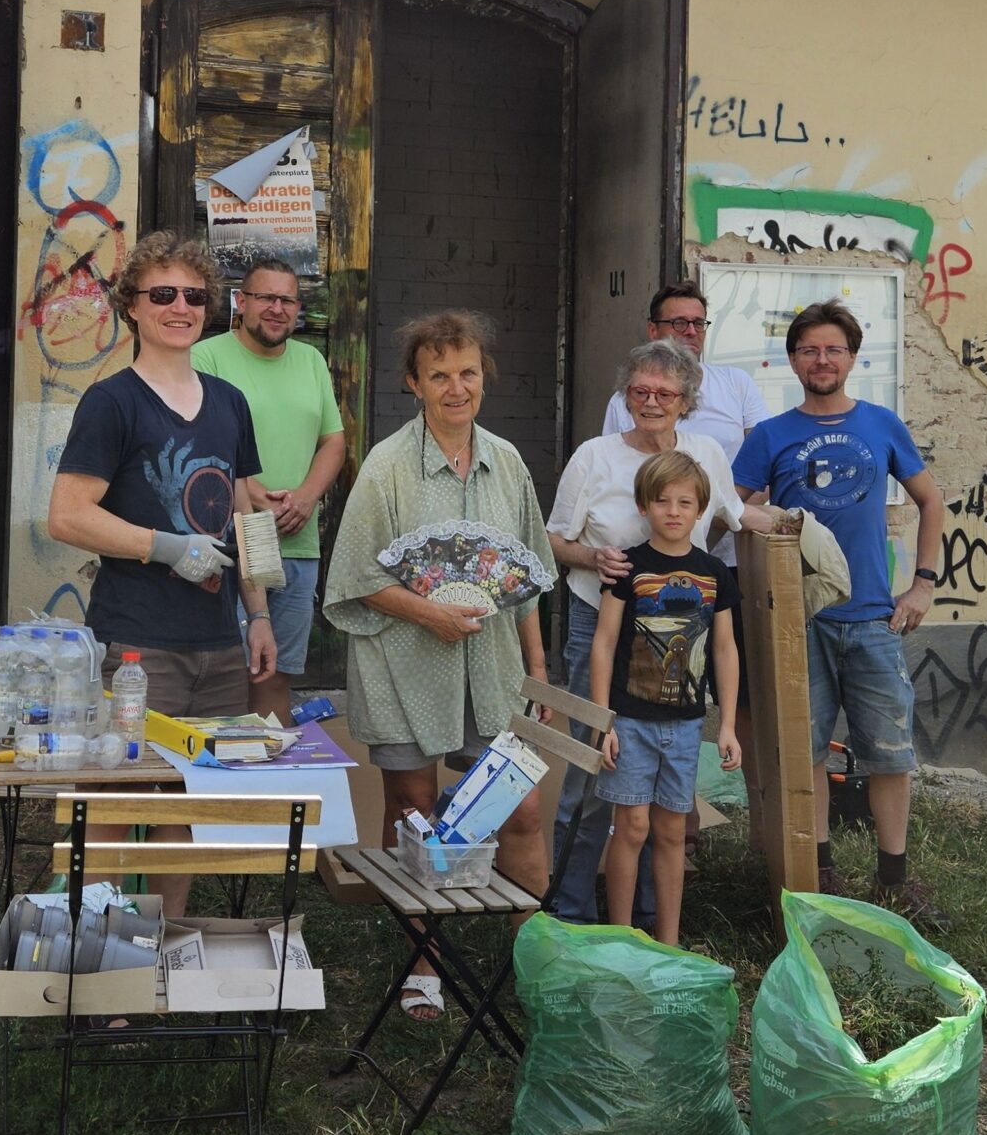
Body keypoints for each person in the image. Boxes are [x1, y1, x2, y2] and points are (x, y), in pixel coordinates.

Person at [323, 311, 554, 1021]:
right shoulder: (388, 469)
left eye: (468, 373)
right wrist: (431, 613)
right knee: (414, 810)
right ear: (413, 383)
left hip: (491, 667)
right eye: (440, 375)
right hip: (403, 662)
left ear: (484, 378)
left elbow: (524, 577)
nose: (456, 388)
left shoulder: (507, 463)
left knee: (520, 804)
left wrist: (536, 665)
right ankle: (424, 961)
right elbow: (359, 577)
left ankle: (532, 961)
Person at [46, 233, 277, 917]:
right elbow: (67, 515)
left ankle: (162, 943)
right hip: (137, 643)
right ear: (134, 308)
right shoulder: (112, 402)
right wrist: (164, 547)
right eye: (163, 295)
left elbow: (243, 512)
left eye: (194, 296)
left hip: (219, 641)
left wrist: (258, 613)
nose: (180, 307)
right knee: (117, 802)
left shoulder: (230, 402)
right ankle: (100, 957)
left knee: (190, 802)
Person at [733, 299, 948, 923]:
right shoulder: (771, 435)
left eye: (833, 349)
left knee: (889, 753)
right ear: (792, 360)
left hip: (875, 619)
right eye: (809, 350)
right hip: (797, 625)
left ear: (852, 357)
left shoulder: (881, 424)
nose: (821, 360)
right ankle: (818, 869)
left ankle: (893, 880)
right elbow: (727, 503)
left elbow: (931, 502)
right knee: (808, 755)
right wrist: (767, 520)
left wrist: (923, 585)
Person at [545, 339, 757, 922]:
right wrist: (594, 559)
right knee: (594, 770)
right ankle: (569, 907)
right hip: (603, 617)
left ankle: (644, 916)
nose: (652, 401)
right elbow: (554, 539)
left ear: (687, 400)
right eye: (640, 391)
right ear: (625, 395)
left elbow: (736, 520)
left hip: (681, 628)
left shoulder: (706, 452)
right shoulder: (595, 456)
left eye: (665, 393)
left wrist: (798, 526)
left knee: (657, 798)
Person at [588, 450, 743, 947]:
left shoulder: (716, 573)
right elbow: (605, 643)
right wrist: (600, 720)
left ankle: (669, 943)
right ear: (643, 506)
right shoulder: (626, 568)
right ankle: (620, 939)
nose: (673, 511)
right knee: (630, 827)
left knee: (672, 832)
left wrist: (727, 725)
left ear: (700, 511)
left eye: (685, 502)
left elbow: (724, 648)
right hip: (629, 720)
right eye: (662, 501)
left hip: (684, 725)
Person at [194, 256, 347, 718]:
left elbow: (333, 441)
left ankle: (268, 781)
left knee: (274, 674)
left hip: (296, 543)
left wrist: (305, 498)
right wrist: (254, 493)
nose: (277, 309)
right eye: (266, 298)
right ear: (241, 302)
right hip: (231, 542)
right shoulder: (208, 356)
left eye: (287, 300)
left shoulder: (311, 360)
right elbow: (200, 440)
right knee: (223, 673)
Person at [600, 281, 767, 460]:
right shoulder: (629, 398)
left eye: (698, 323)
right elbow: (611, 464)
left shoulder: (736, 383)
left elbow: (762, 454)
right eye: (679, 323)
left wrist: (732, 488)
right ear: (653, 330)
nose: (691, 331)